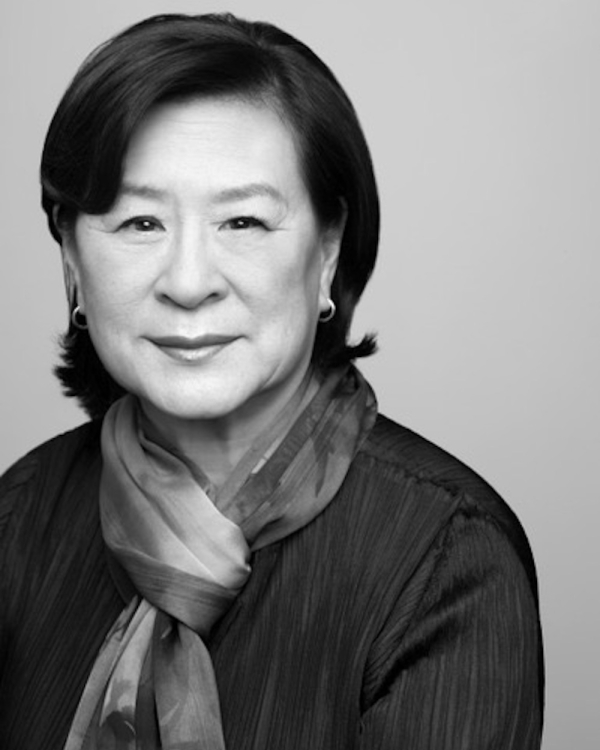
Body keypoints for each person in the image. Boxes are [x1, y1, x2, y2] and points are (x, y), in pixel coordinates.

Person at [0, 12, 543, 750]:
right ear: (71, 258)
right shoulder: (20, 518)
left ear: (327, 253)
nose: (189, 282)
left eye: (244, 223)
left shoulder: (447, 559)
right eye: (140, 224)